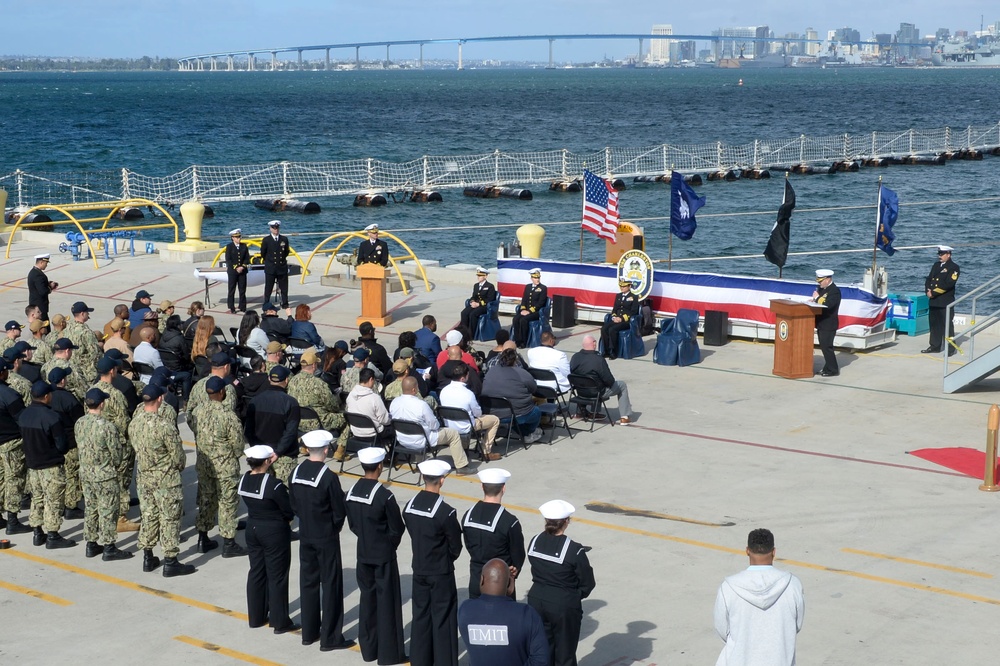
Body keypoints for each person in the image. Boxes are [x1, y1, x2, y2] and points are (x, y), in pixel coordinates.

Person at [289, 430, 355, 651]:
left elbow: (294, 504)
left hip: (306, 533)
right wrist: (333, 528)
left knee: (308, 583)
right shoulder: (328, 477)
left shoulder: (296, 472)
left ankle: (309, 632)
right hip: (325, 536)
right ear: (326, 450)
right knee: (331, 585)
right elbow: (339, 510)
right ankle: (331, 637)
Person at [345, 448, 407, 665]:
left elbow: (352, 524)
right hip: (383, 555)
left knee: (368, 600)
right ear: (380, 466)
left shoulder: (352, 492)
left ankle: (369, 649)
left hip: (363, 552)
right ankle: (390, 653)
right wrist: (389, 544)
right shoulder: (384, 495)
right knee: (387, 603)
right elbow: (397, 528)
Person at [129, 384, 196, 577]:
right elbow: (179, 457)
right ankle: (170, 560)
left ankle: (148, 556)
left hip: (144, 478)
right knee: (170, 518)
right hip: (166, 480)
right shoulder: (164, 426)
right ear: (160, 399)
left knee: (149, 515)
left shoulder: (134, 423)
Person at [714, 528, 805, 666]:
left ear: (747, 550)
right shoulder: (792, 585)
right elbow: (796, 625)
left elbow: (722, 630)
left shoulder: (728, 588)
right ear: (774, 552)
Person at [403, 458, 463, 666]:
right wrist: (446, 557)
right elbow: (455, 546)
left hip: (419, 569)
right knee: (443, 620)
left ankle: (420, 660)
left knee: (420, 617)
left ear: (422, 477)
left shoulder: (409, 507)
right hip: (440, 571)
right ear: (442, 480)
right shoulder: (445, 512)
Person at [526, 500, 596, 666]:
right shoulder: (573, 549)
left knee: (543, 650)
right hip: (563, 604)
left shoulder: (534, 541)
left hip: (537, 600)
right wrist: (574, 595)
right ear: (566, 522)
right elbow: (587, 582)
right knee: (565, 654)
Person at [239, 444, 297, 634]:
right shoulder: (274, 484)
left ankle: (256, 617)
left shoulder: (245, 480)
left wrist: (265, 461)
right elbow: (288, 509)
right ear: (267, 461)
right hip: (273, 531)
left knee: (256, 571)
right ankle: (280, 622)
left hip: (253, 528)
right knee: (277, 575)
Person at [190, 376, 247, 558]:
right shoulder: (228, 415)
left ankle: (203, 537)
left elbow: (194, 429)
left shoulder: (197, 411)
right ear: (222, 392)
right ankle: (229, 542)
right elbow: (238, 445)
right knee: (227, 501)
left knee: (207, 499)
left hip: (204, 464)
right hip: (225, 466)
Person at [75, 388, 132, 561]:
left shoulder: (80, 423)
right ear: (102, 404)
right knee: (108, 510)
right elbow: (117, 454)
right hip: (105, 475)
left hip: (86, 473)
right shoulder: (107, 426)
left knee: (91, 508)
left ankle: (91, 543)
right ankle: (109, 546)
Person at [459, 558, 549, 666]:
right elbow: (541, 660)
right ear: (509, 586)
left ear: (482, 579)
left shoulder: (465, 610)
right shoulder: (527, 614)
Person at [20, 381, 74, 549]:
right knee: (54, 500)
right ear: (45, 396)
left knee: (37, 499)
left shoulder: (24, 415)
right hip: (50, 466)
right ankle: (53, 535)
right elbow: (61, 445)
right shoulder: (52, 417)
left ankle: (37, 532)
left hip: (33, 466)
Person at [389, 376, 474, 474]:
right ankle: (462, 466)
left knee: (419, 430)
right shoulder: (421, 404)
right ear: (414, 389)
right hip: (421, 441)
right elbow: (434, 426)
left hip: (403, 440)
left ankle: (420, 463)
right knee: (453, 434)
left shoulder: (394, 402)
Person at [462, 468, 525, 599]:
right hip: (500, 583)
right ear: (504, 488)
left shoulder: (468, 515)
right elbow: (518, 554)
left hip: (476, 578)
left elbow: (468, 544)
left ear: (482, 487)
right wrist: (514, 571)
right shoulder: (509, 521)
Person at [244, 365, 301, 485]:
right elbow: (290, 432)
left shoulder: (254, 401)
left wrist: (259, 450)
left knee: (262, 492)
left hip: (261, 458)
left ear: (269, 379)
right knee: (284, 494)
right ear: (286, 380)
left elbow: (248, 430)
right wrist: (278, 452)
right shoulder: (291, 403)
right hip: (284, 457)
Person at [440, 362, 500, 460]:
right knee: (495, 420)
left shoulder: (444, 391)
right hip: (466, 426)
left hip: (450, 425)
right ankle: (486, 451)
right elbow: (478, 413)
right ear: (463, 378)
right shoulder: (468, 394)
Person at [482, 347, 543, 444]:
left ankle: (524, 433)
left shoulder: (491, 371)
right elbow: (533, 389)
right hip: (515, 414)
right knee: (536, 411)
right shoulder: (522, 373)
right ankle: (528, 433)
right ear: (515, 360)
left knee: (518, 411)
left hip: (491, 412)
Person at [569, 335, 633, 426]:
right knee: (621, 385)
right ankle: (624, 417)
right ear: (594, 344)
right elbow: (609, 380)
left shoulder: (575, 357)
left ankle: (581, 411)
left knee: (586, 380)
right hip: (596, 392)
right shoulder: (599, 360)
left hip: (581, 392)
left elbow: (572, 373)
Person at [47, 366, 84, 519]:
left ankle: (60, 503)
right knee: (72, 474)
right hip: (70, 442)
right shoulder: (68, 398)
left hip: (52, 442)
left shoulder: (46, 396)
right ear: (63, 380)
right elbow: (80, 420)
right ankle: (71, 506)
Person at [0, 358, 30, 536]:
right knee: (14, 480)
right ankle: (12, 520)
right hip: (11, 443)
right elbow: (22, 420)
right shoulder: (9, 395)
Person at [924, 245, 960, 355]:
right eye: (939, 254)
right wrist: (927, 291)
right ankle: (935, 346)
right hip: (934, 301)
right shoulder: (936, 265)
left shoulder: (954, 267)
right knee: (934, 325)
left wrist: (933, 293)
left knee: (947, 326)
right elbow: (929, 279)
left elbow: (948, 284)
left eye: (942, 254)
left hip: (945, 301)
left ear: (948, 255)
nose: (940, 256)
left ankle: (950, 348)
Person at [811, 269, 841, 377]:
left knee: (827, 347)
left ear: (828, 279)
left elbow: (828, 305)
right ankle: (827, 367)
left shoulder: (834, 291)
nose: (819, 283)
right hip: (822, 323)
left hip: (829, 323)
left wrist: (817, 298)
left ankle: (833, 369)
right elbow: (819, 301)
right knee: (823, 347)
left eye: (821, 281)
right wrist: (813, 301)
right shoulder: (822, 289)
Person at [600, 278, 640, 360]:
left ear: (629, 286)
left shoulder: (634, 297)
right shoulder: (618, 296)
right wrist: (614, 317)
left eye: (624, 286)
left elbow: (634, 312)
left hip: (626, 321)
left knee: (612, 329)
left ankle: (613, 351)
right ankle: (606, 350)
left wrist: (621, 318)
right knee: (604, 329)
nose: (622, 288)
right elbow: (615, 309)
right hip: (616, 319)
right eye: (621, 286)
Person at [511, 268, 547, 348]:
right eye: (535, 278)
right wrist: (523, 309)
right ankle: (517, 340)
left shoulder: (543, 288)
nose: (537, 279)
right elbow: (524, 299)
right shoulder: (528, 287)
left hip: (536, 312)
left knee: (523, 320)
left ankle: (524, 341)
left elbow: (541, 303)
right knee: (516, 319)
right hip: (526, 311)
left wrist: (529, 311)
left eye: (538, 278)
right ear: (531, 278)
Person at [64, 301, 100, 381]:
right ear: (82, 314)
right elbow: (95, 353)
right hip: (85, 372)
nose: (88, 314)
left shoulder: (68, 327)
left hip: (71, 367)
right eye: (87, 312)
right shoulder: (86, 332)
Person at [260, 220, 291, 309]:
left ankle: (285, 303)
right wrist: (270, 261)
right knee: (268, 288)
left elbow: (286, 252)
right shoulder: (266, 240)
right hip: (271, 267)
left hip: (281, 267)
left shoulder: (284, 239)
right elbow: (263, 253)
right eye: (274, 228)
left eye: (277, 228)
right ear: (270, 229)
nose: (276, 230)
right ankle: (266, 303)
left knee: (284, 288)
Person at [460, 266, 498, 333]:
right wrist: (472, 301)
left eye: (480, 276)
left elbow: (490, 299)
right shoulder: (476, 286)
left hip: (484, 306)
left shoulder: (490, 286)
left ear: (485, 276)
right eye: (478, 275)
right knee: (464, 313)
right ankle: (464, 332)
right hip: (475, 304)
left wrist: (479, 304)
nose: (478, 277)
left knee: (473, 314)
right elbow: (474, 296)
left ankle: (472, 333)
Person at [225, 227, 251, 314]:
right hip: (233, 272)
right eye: (237, 237)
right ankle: (231, 306)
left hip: (242, 271)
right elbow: (228, 260)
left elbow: (247, 258)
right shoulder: (229, 247)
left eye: (239, 237)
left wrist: (242, 267)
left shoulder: (244, 246)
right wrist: (236, 267)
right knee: (232, 289)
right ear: (232, 238)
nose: (239, 238)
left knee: (242, 289)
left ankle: (242, 306)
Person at [27, 253, 57, 320]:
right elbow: (42, 291)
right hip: (39, 308)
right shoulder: (38, 275)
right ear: (41, 262)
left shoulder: (33, 272)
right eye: (46, 263)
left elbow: (38, 285)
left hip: (35, 305)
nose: (46, 265)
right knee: (43, 327)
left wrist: (47, 284)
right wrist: (50, 287)